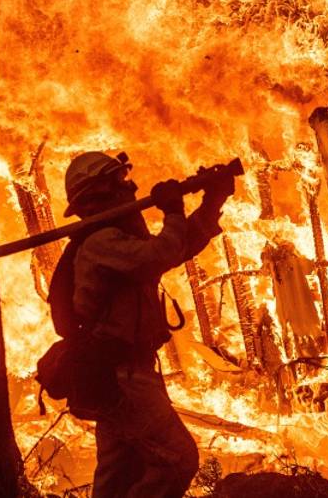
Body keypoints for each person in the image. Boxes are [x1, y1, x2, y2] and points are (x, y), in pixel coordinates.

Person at [47, 151, 233, 498]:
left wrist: (213, 202)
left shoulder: (115, 240)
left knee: (118, 475)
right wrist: (173, 211)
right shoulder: (101, 243)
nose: (131, 187)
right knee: (178, 459)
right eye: (121, 181)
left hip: (119, 373)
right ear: (101, 191)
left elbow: (176, 247)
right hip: (122, 376)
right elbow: (160, 254)